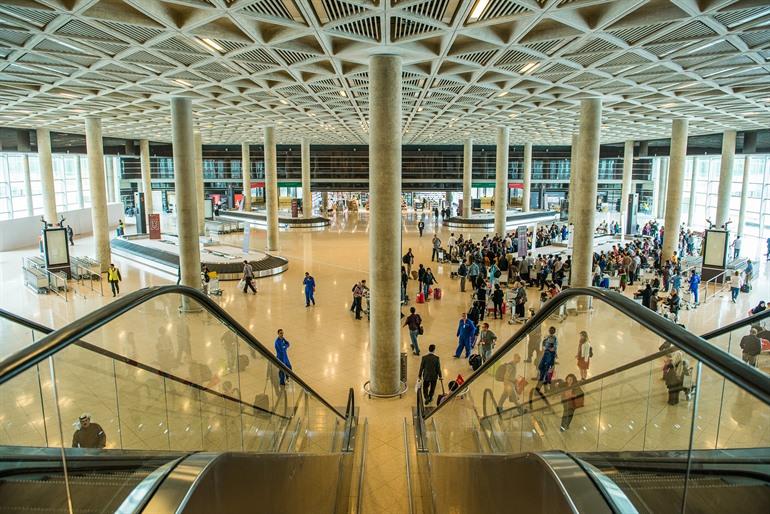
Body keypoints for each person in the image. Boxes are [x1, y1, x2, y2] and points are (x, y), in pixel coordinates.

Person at [535, 327, 558, 391]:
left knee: (545, 376)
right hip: (547, 363)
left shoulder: (549, 338)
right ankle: (540, 389)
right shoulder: (550, 339)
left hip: (547, 363)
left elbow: (548, 347)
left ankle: (544, 389)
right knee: (544, 375)